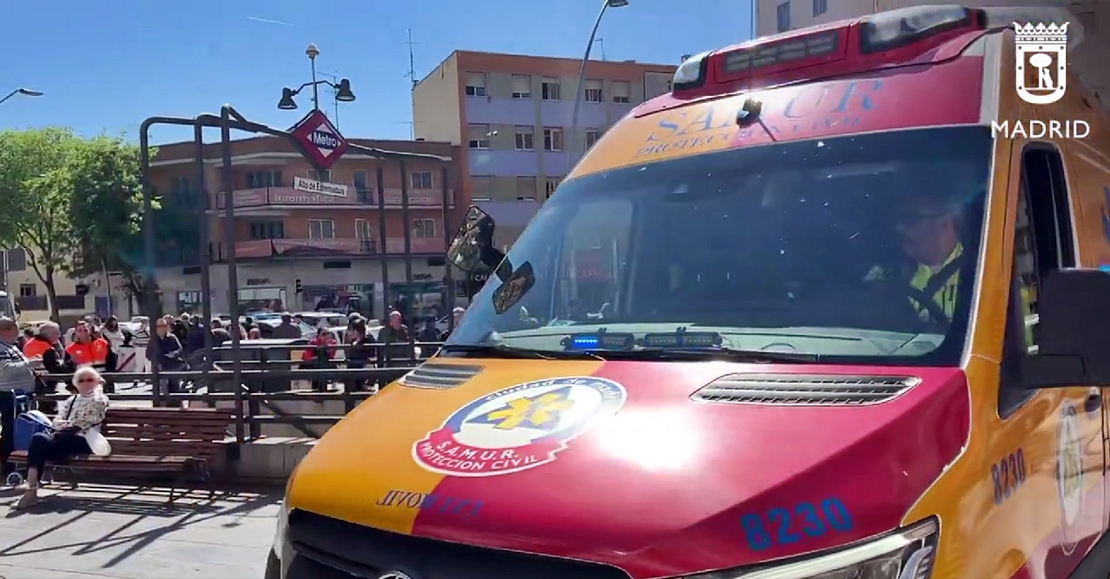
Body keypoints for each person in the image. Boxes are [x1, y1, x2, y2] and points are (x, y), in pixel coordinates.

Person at [15, 365, 110, 510]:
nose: (86, 383)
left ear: (97, 381)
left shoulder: (100, 399)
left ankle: (32, 488)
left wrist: (98, 389)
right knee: (39, 438)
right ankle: (32, 487)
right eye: (81, 380)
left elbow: (86, 421)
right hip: (64, 437)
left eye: (90, 379)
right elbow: (57, 421)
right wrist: (67, 425)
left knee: (50, 445)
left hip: (85, 440)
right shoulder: (71, 400)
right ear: (76, 384)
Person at [865, 193, 964, 323]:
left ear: (945, 222)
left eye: (911, 219)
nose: (899, 227)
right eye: (898, 220)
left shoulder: (981, 277)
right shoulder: (886, 273)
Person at [0, 317, 37, 479]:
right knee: (12, 431)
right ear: (8, 330)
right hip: (10, 395)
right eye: (16, 329)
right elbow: (5, 370)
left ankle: (16, 464)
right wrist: (30, 364)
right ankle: (9, 466)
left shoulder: (10, 347)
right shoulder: (1, 348)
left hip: (19, 394)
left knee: (19, 430)